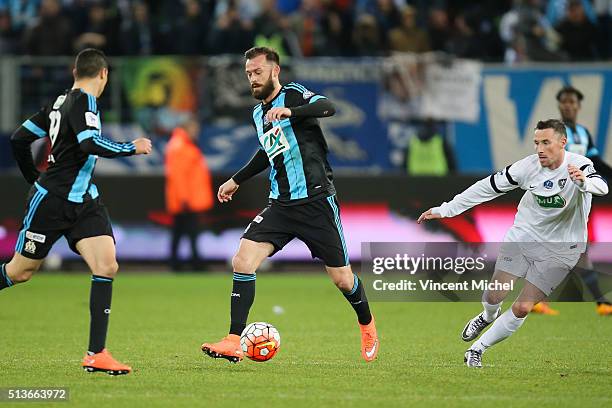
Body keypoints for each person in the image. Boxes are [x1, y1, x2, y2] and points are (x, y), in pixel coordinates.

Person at [200, 46, 378, 363]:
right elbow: (267, 153)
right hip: (281, 205)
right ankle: (232, 339)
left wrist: (291, 113)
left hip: (316, 202)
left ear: (275, 71)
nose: (252, 79)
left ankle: (367, 324)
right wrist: (237, 179)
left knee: (342, 279)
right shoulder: (258, 114)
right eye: (248, 74)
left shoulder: (294, 95)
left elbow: (328, 107)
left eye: (257, 72)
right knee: (243, 260)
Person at [2, 48, 152, 375]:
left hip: (84, 201)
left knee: (106, 264)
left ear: (74, 72)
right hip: (52, 201)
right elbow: (88, 142)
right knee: (19, 272)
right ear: (104, 75)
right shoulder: (85, 101)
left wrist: (33, 176)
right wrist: (132, 147)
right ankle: (96, 353)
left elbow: (19, 139)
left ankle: (96, 354)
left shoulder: (59, 102)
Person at [418, 119, 608, 367]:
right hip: (524, 237)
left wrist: (583, 182)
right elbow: (486, 188)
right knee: (496, 294)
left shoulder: (580, 166)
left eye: (546, 142)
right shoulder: (526, 167)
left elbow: (601, 186)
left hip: (563, 249)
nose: (539, 149)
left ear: (562, 143)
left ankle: (477, 349)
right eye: (536, 143)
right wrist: (446, 210)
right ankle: (488, 315)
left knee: (522, 307)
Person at [165, 117, 214, 271]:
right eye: (194, 129)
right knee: (189, 231)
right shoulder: (180, 146)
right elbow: (178, 175)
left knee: (180, 231)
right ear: (186, 128)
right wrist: (184, 198)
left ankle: (178, 262)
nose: (196, 132)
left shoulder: (181, 145)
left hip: (187, 198)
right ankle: (193, 262)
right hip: (187, 199)